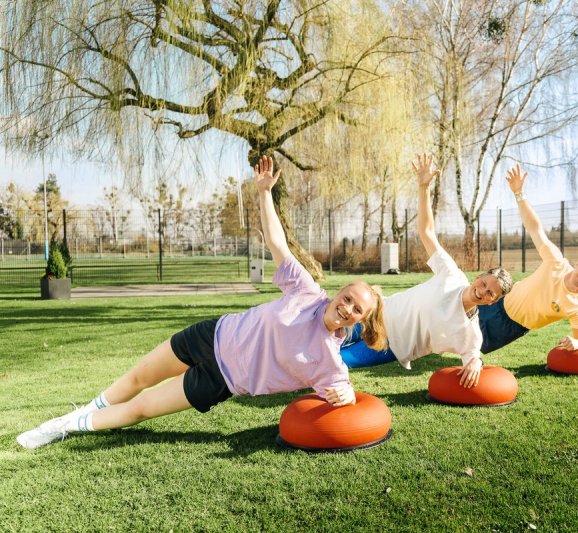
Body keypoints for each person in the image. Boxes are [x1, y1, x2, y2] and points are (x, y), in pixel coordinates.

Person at [17, 156, 387, 450]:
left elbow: (343, 394)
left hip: (220, 380)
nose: (348, 308)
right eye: (348, 298)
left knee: (140, 409)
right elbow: (278, 243)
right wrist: (263, 194)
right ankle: (86, 410)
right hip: (212, 334)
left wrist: (350, 394)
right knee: (138, 376)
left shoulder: (330, 362)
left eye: (357, 310)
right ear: (340, 293)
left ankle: (63, 426)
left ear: (359, 320)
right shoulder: (306, 291)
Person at [339, 153, 513, 388]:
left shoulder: (469, 331)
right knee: (321, 332)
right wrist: (424, 187)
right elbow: (427, 233)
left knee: (337, 359)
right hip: (375, 310)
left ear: (494, 302)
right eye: (484, 284)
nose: (483, 292)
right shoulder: (452, 274)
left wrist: (476, 363)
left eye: (491, 293)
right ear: (478, 277)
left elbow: (473, 356)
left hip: (388, 345)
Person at [478, 164, 578, 355]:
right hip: (497, 300)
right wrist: (519, 194)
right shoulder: (556, 262)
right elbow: (535, 228)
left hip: (512, 327)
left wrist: (577, 343)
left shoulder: (577, 305)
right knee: (454, 319)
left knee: (473, 346)